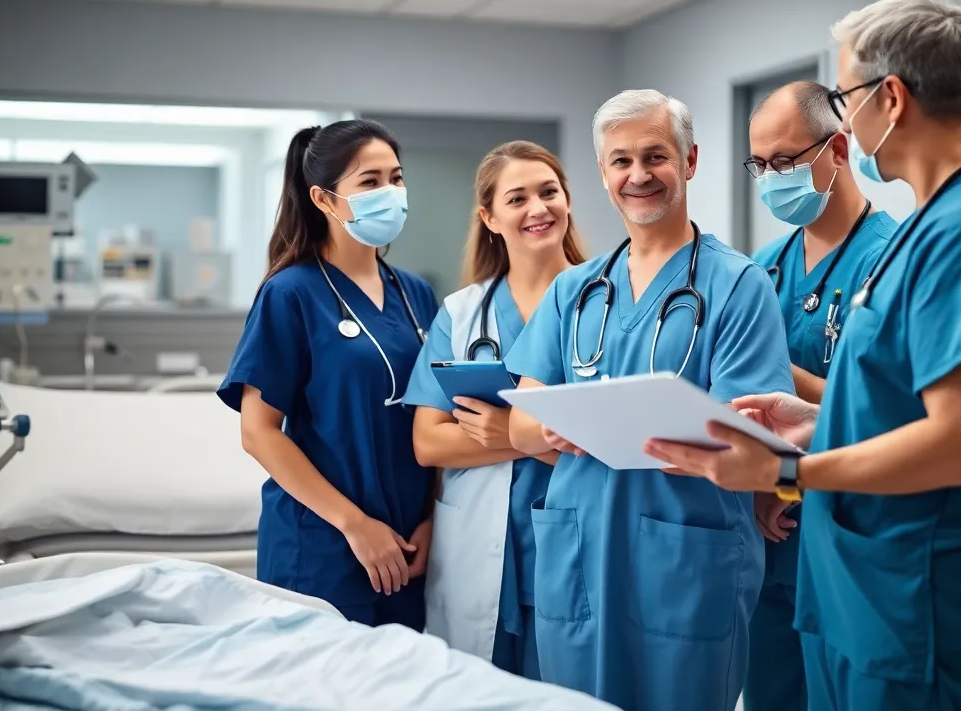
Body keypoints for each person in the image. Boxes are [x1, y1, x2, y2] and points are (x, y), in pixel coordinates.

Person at [645, 0, 961, 710]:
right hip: (878, 596)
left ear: (892, 98)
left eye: (845, 95)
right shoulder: (932, 229)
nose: (844, 114)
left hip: (935, 608)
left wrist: (786, 467)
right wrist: (821, 417)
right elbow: (906, 402)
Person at [503, 89, 795, 711]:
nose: (638, 175)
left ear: (689, 162)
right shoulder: (573, 291)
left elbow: (741, 434)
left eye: (655, 156)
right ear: (604, 175)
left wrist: (610, 426)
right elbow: (523, 426)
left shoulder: (738, 285)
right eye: (620, 161)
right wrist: (557, 428)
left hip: (687, 555)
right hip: (579, 553)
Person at [218, 120, 439, 629]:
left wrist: (431, 518)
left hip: (407, 545)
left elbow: (433, 417)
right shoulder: (290, 293)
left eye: (396, 178)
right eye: (370, 181)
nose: (390, 193)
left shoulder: (416, 294)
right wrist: (355, 525)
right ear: (324, 199)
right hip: (322, 545)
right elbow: (258, 433)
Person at [403, 141, 587, 677]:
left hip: (576, 534)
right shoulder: (461, 315)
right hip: (479, 549)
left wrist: (509, 428)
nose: (538, 208)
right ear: (489, 217)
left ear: (568, 200)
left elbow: (616, 441)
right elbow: (428, 442)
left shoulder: (608, 299)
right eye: (518, 198)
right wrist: (543, 436)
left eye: (549, 192)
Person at [744, 81, 896, 711]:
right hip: (772, 530)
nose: (770, 178)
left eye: (784, 163)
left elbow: (884, 411)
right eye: (759, 166)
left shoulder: (891, 259)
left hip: (849, 531)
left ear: (837, 148)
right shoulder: (765, 266)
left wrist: (780, 371)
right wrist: (766, 485)